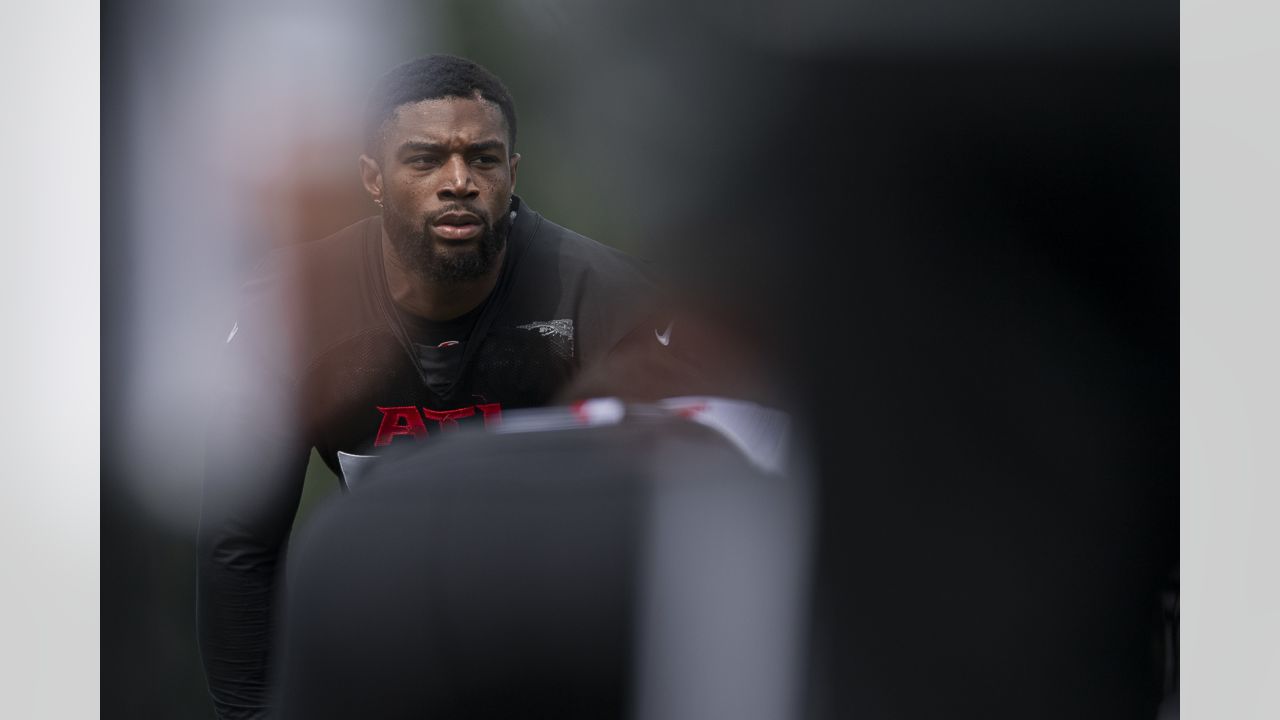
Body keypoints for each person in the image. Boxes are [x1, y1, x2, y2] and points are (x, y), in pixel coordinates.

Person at [197, 55, 657, 720]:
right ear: (373, 179)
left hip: (563, 650)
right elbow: (237, 545)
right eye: (425, 159)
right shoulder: (293, 310)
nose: (460, 181)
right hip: (391, 643)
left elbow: (685, 519)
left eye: (484, 159)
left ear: (512, 173)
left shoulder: (606, 299)